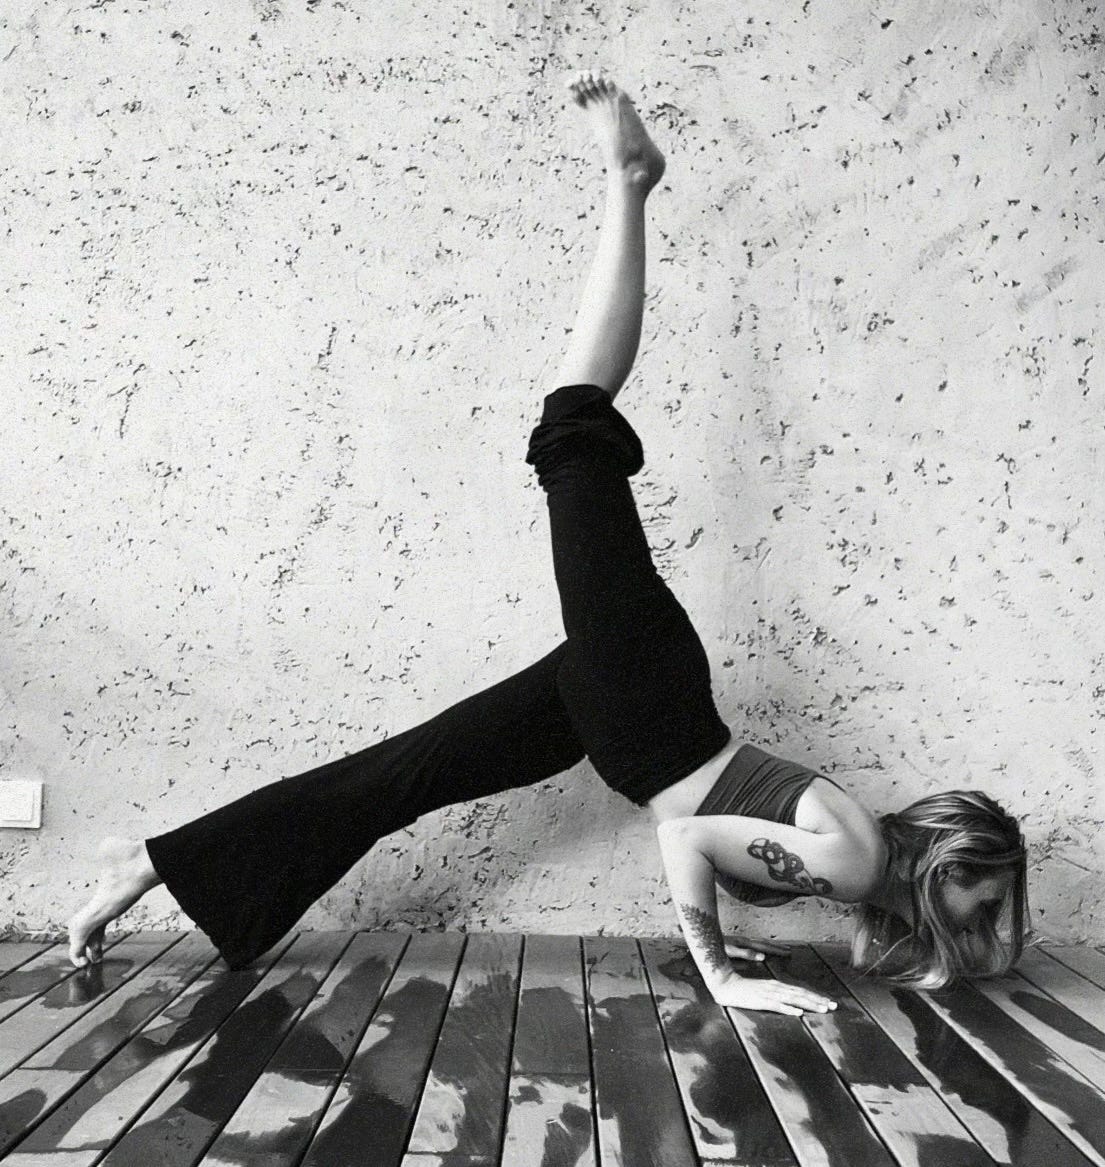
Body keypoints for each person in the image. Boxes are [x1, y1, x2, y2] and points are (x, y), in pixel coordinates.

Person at [66, 72, 1029, 1016]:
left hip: (629, 705)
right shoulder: (857, 859)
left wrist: (740, 946)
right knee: (573, 428)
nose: (977, 924)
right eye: (982, 903)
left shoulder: (860, 859)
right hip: (640, 696)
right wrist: (723, 977)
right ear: (950, 864)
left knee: (401, 778)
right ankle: (630, 183)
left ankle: (149, 863)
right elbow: (686, 838)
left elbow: (715, 831)